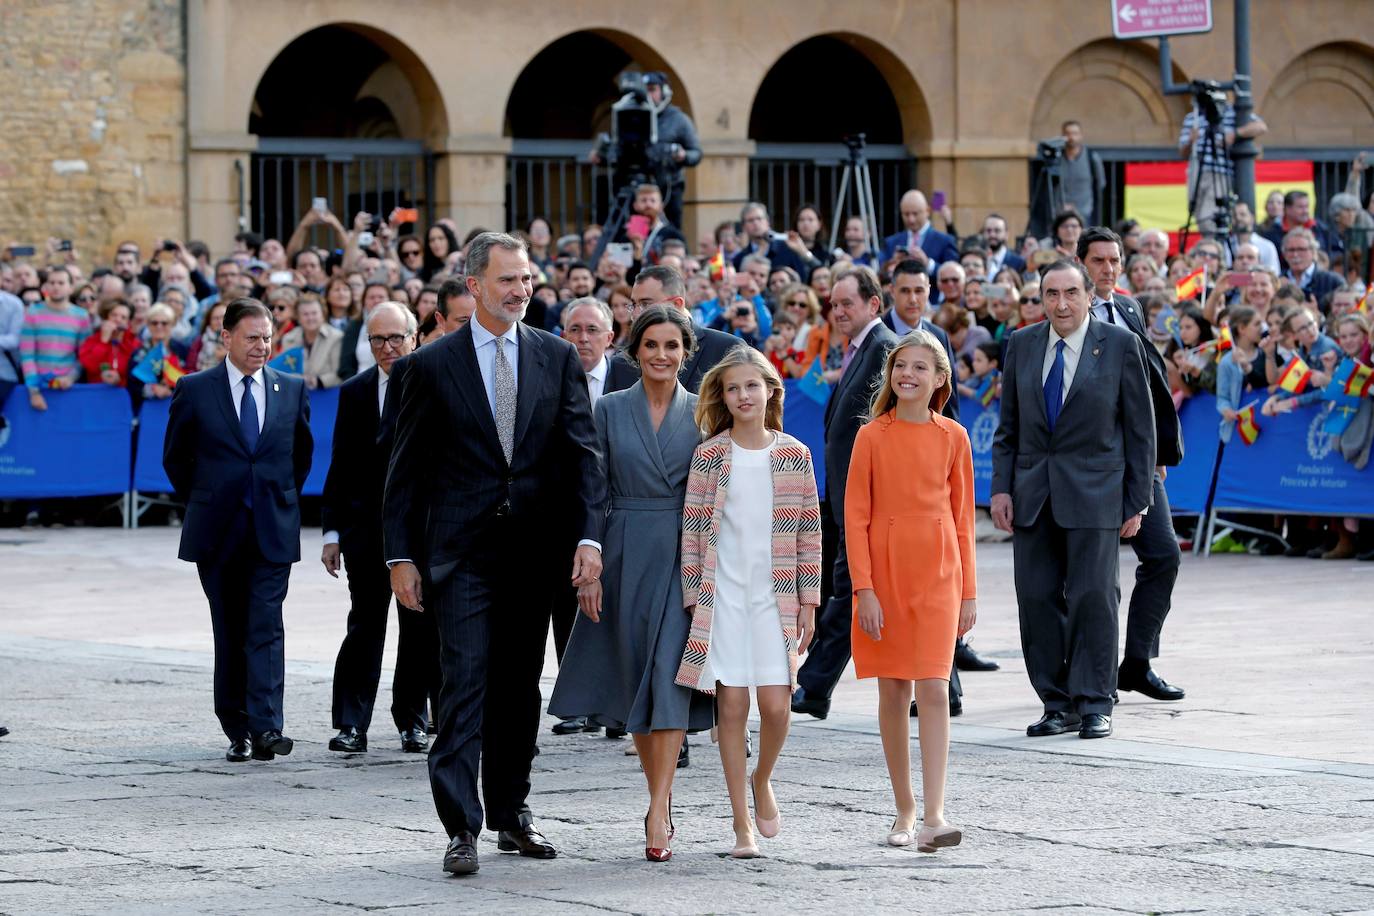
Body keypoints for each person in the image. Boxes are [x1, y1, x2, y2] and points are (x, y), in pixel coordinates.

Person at [383, 232, 606, 876]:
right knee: (465, 683)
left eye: (526, 278)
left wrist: (588, 537)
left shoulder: (556, 356)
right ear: (474, 285)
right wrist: (400, 555)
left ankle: (512, 814)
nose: (521, 289)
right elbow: (404, 473)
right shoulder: (429, 365)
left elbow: (582, 456)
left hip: (534, 554)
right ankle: (461, 826)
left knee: (518, 690)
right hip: (460, 554)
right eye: (507, 279)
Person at [548, 305, 713, 863]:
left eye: (672, 346)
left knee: (668, 677)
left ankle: (659, 806)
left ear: (686, 352)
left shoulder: (704, 414)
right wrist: (588, 557)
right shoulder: (609, 410)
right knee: (638, 682)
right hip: (622, 550)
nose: (662, 356)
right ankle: (658, 800)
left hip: (685, 555)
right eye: (651, 346)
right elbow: (590, 488)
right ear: (634, 351)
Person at [990, 260, 1154, 740]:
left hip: (1097, 492)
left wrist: (1137, 500)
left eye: (1070, 294)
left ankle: (1095, 701)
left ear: (1088, 295)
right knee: (1036, 599)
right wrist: (1001, 487)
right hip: (1033, 494)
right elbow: (1009, 427)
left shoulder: (1120, 344)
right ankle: (1056, 702)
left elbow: (1140, 430)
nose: (1061, 304)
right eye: (1051, 294)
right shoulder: (1021, 344)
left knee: (1093, 598)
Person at [673, 346, 821, 858]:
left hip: (776, 596)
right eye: (733, 388)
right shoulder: (709, 456)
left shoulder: (794, 454)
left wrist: (810, 600)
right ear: (723, 396)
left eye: (752, 386)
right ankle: (742, 825)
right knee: (732, 705)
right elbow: (692, 530)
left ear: (770, 391)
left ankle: (762, 779)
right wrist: (695, 597)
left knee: (778, 706)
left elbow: (809, 531)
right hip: (723, 597)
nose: (743, 396)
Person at [162, 298, 313, 762]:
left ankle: (268, 726)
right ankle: (237, 727)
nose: (262, 346)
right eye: (252, 337)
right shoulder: (195, 389)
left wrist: (277, 498)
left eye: (267, 337)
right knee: (229, 628)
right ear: (226, 337)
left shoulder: (291, 387)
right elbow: (176, 459)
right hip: (218, 530)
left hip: (272, 526)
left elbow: (299, 457)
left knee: (265, 625)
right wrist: (208, 498)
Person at [847, 329, 976, 851]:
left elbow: (964, 519)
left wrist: (969, 591)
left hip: (940, 574)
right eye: (902, 366)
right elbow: (855, 519)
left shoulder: (955, 438)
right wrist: (864, 589)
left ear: (940, 379)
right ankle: (904, 810)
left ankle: (935, 813)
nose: (909, 375)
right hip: (885, 572)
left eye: (922, 367)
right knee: (893, 690)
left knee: (934, 688)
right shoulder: (871, 436)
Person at [322, 303, 438, 755]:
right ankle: (351, 723)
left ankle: (412, 720)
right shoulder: (355, 391)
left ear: (414, 338)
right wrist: (332, 531)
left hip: (419, 530)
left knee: (419, 628)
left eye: (396, 338)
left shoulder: (432, 383)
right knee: (365, 625)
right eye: (377, 340)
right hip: (366, 531)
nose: (387, 348)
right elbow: (341, 465)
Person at [1077, 228, 1187, 700]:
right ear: (1081, 262)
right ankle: (1085, 675)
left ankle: (1137, 662)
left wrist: (1158, 453)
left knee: (1163, 555)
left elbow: (1149, 382)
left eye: (1114, 260)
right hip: (1090, 460)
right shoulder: (1065, 311)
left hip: (1137, 457)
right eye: (1098, 260)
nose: (1107, 269)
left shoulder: (1128, 307)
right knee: (1096, 576)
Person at [792, 266, 899, 721]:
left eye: (846, 304)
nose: (837, 312)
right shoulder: (859, 349)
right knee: (847, 589)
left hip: (867, 497)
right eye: (833, 305)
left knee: (848, 591)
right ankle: (816, 686)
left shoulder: (885, 349)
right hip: (842, 492)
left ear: (873, 304)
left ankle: (815, 685)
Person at [548, 296, 623, 737]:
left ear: (610, 338)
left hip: (623, 507)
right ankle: (576, 702)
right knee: (568, 604)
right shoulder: (551, 374)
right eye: (574, 329)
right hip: (567, 510)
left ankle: (617, 706)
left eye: (592, 330)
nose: (583, 338)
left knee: (620, 606)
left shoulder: (628, 378)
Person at [614, 265, 738, 394]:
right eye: (634, 305)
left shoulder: (726, 349)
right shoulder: (621, 364)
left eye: (645, 304)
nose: (635, 314)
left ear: (677, 305)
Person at [1178, 101, 1266, 236]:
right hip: (1196, 169)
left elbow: (1261, 127)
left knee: (1208, 215)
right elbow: (1183, 152)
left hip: (1219, 171)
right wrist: (1191, 141)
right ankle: (1212, 243)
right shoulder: (1193, 117)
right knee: (1196, 212)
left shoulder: (1231, 113)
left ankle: (1214, 245)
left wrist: (1235, 134)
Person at [21, 267, 86, 412]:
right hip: (40, 388)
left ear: (71, 288)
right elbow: (27, 356)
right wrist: (34, 391)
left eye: (61, 283)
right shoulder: (32, 313)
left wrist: (71, 378)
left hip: (69, 388)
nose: (56, 286)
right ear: (46, 286)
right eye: (52, 282)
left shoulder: (82, 316)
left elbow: (83, 355)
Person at [880, 190, 960, 274]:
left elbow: (955, 275)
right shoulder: (891, 242)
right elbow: (880, 274)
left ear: (928, 211)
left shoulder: (945, 241)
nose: (911, 219)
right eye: (906, 214)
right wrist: (892, 263)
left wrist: (928, 264)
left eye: (915, 214)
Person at [78, 298, 137, 386]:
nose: (118, 320)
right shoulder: (93, 339)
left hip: (122, 392)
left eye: (123, 317)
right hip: (96, 391)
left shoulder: (133, 343)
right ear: (106, 317)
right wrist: (103, 342)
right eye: (114, 315)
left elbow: (136, 374)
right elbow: (88, 365)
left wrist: (120, 380)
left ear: (128, 322)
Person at [1059, 120, 1106, 224]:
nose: (1071, 137)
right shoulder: (1056, 159)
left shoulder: (1092, 158)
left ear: (1081, 136)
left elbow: (1100, 185)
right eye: (1068, 134)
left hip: (1085, 215)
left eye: (1075, 133)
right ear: (1062, 136)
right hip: (1060, 215)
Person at [982, 213, 1027, 278]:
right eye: (988, 231)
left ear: (1006, 234)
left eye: (997, 231)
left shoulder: (1019, 262)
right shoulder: (978, 261)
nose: (992, 235)